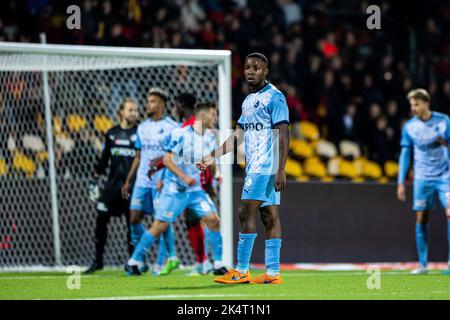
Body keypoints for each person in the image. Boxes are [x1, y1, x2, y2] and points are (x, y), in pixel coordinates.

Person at [199, 52, 290, 284]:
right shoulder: (248, 100)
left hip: (265, 166)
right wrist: (212, 156)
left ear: (265, 71)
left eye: (256, 67)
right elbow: (238, 135)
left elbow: (284, 133)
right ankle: (272, 273)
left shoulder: (274, 97)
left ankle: (241, 270)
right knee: (269, 216)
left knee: (244, 212)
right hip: (257, 165)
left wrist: (281, 169)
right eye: (248, 67)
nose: (251, 71)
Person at [124, 103, 227, 276]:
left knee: (214, 221)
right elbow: (167, 160)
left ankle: (218, 265)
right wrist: (183, 177)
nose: (215, 118)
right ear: (202, 116)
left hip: (195, 191)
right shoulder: (181, 134)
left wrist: (213, 180)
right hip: (175, 190)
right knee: (159, 227)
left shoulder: (210, 136)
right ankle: (133, 261)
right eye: (213, 114)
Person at [121, 88, 179, 275]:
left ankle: (160, 263)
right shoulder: (142, 127)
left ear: (162, 104)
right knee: (134, 219)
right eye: (148, 101)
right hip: (141, 181)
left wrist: (164, 177)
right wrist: (129, 181)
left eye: (152, 101)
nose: (148, 104)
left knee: (161, 221)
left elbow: (175, 156)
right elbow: (138, 156)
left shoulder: (172, 127)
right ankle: (142, 260)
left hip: (160, 182)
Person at [396, 88, 450, 275]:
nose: (414, 108)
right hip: (422, 178)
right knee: (422, 217)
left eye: (416, 104)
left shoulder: (444, 121)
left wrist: (446, 143)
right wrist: (401, 182)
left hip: (445, 176)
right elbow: (405, 153)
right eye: (411, 105)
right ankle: (423, 264)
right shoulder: (410, 126)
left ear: (426, 103)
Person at [84, 98, 138, 274]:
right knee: (100, 219)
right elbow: (104, 160)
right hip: (111, 187)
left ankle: (132, 263)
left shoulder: (139, 134)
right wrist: (94, 177)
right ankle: (98, 261)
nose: (133, 113)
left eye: (135, 110)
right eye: (130, 110)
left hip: (129, 189)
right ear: (120, 112)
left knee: (131, 227)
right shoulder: (111, 134)